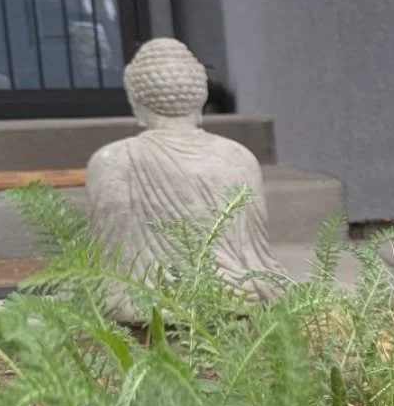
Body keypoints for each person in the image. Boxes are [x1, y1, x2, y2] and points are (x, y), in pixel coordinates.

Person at [86, 37, 284, 308]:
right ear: (201, 97)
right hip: (235, 293)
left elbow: (111, 265)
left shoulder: (113, 160)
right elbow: (255, 259)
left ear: (135, 99)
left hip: (146, 300)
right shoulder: (239, 157)